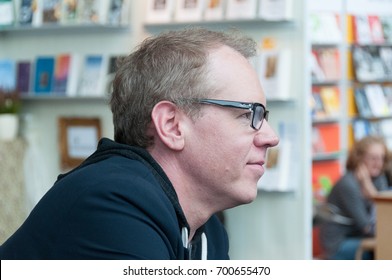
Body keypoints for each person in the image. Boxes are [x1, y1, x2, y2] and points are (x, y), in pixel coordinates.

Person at [0, 28, 279, 260]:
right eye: (247, 114)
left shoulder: (207, 231)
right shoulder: (110, 203)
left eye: (263, 116)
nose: (270, 137)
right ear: (171, 125)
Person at [319, 135, 391, 260]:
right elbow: (369, 228)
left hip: (362, 237)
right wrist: (374, 194)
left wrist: (371, 190)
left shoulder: (379, 179)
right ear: (359, 159)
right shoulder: (348, 184)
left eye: (382, 158)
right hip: (339, 243)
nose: (378, 163)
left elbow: (385, 219)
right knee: (385, 246)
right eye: (373, 158)